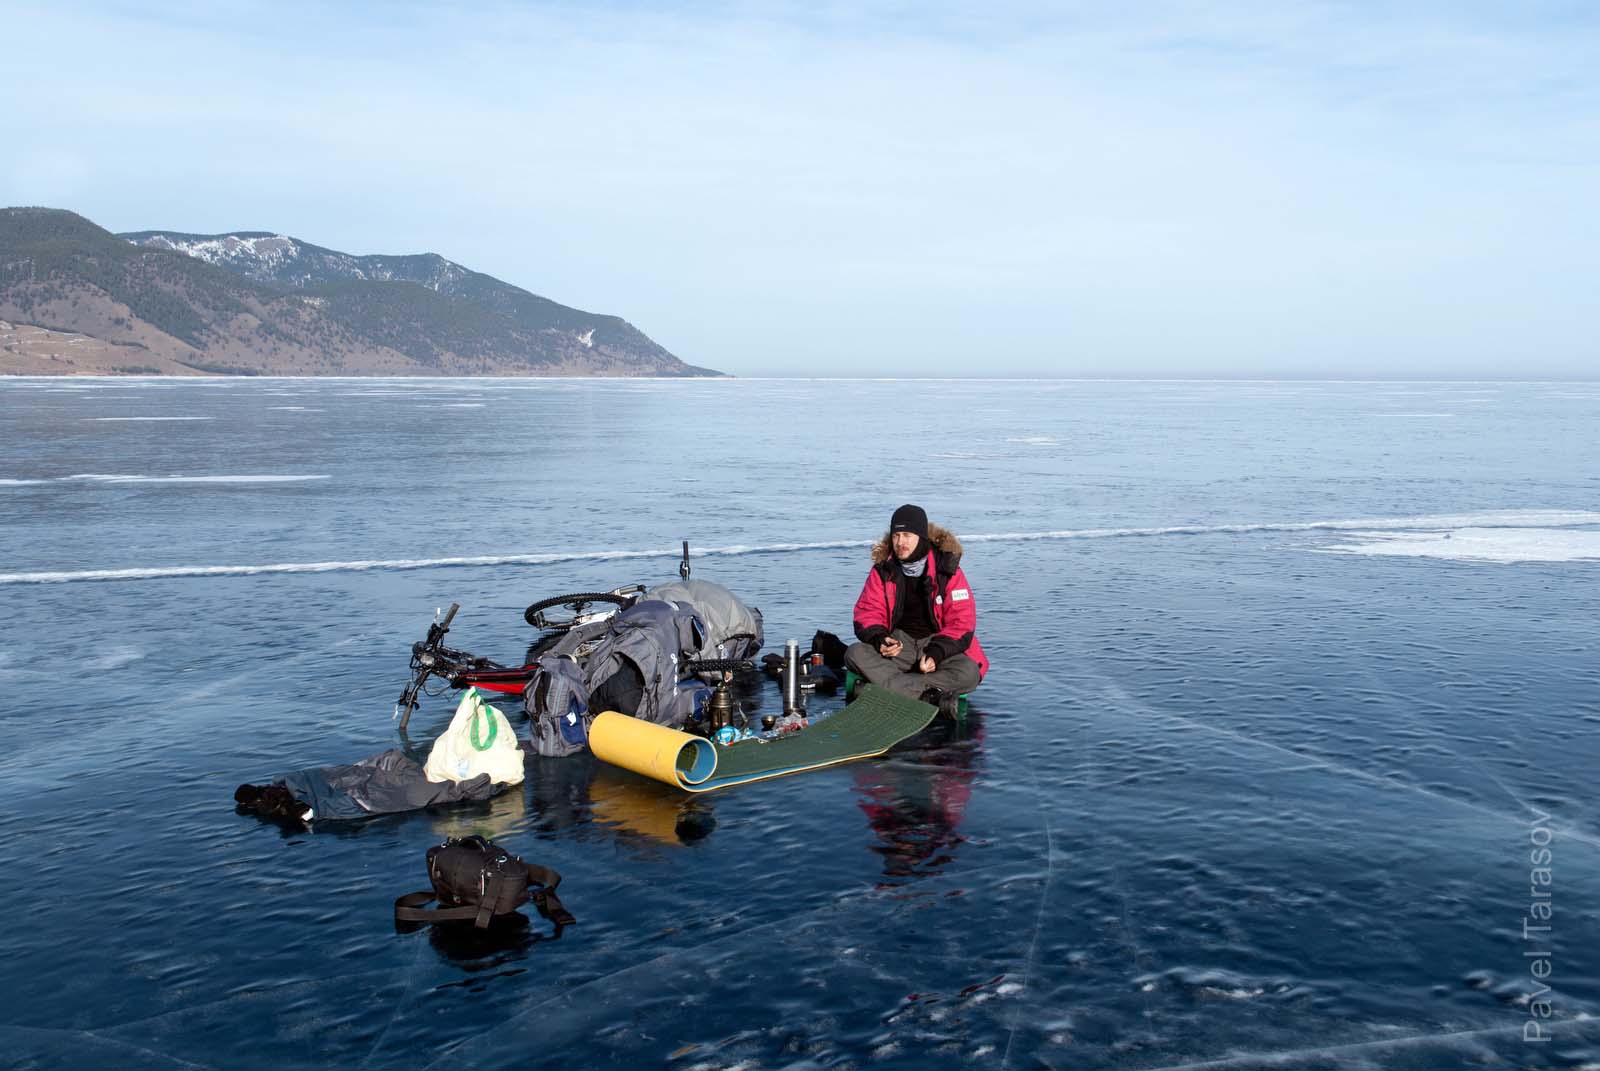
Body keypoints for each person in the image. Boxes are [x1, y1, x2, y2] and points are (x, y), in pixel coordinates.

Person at [846, 504, 988, 714]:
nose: (900, 542)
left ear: (921, 537)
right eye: (896, 535)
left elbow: (962, 621)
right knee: (854, 653)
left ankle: (889, 689)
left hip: (935, 644)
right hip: (900, 647)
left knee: (969, 672)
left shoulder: (947, 571)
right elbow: (868, 612)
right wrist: (880, 639)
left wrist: (937, 653)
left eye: (906, 535)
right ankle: (927, 696)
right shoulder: (883, 570)